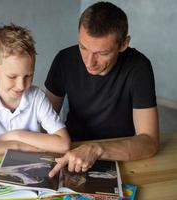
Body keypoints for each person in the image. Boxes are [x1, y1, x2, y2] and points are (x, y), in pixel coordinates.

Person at [46, 2, 159, 177]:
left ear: (124, 44)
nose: (89, 62)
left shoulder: (139, 67)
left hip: (121, 155)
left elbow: (149, 142)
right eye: (83, 47)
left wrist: (97, 149)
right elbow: (43, 123)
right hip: (72, 152)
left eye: (102, 53)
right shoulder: (64, 59)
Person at [0, 24, 70, 159]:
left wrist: (15, 135)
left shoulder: (37, 97)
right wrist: (15, 145)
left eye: (28, 76)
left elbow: (63, 144)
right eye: (12, 77)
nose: (21, 86)